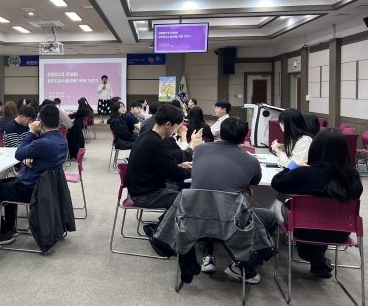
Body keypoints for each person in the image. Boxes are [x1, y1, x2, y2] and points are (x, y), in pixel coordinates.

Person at [190, 117, 277, 284]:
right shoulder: (251, 160)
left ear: (220, 133)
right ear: (244, 138)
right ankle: (241, 262)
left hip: (195, 216)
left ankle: (208, 255)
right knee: (270, 218)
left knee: (208, 203)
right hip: (231, 220)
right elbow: (255, 181)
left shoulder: (199, 150)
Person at [271, 128, 363, 278]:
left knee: (281, 201)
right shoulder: (352, 176)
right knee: (325, 216)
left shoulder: (306, 173)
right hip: (340, 232)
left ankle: (311, 255)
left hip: (303, 230)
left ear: (315, 148)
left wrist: (295, 166)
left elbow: (277, 183)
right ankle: (317, 258)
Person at [0, 104, 68, 243]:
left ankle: (3, 232)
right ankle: (10, 226)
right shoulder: (61, 140)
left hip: (30, 189)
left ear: (41, 122)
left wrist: (31, 132)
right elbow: (40, 153)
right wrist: (32, 155)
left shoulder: (43, 143)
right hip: (44, 188)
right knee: (7, 183)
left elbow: (18, 154)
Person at [127, 104, 199, 210]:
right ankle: (164, 221)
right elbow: (175, 175)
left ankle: (166, 220)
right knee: (189, 200)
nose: (177, 131)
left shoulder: (146, 135)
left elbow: (160, 166)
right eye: (177, 127)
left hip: (140, 189)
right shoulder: (157, 144)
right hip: (145, 195)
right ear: (168, 124)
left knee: (181, 189)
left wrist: (179, 166)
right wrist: (198, 170)